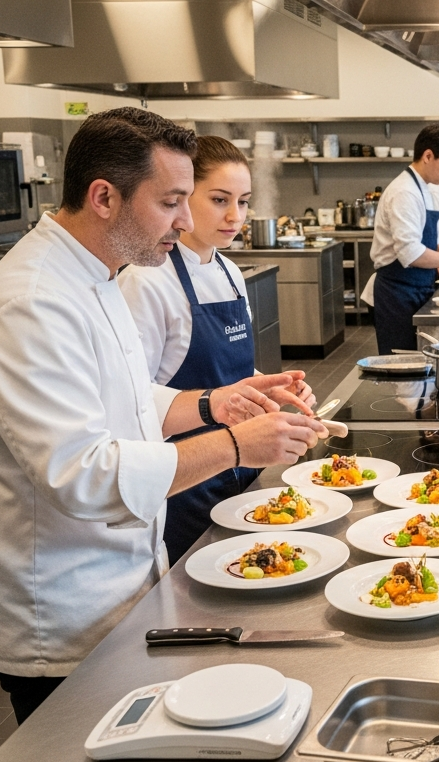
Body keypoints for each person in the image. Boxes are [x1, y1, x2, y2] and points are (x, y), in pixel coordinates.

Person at [0, 108, 328, 723]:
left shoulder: (95, 275)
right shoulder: (32, 303)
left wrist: (214, 402)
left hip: (123, 588)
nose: (185, 222)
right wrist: (235, 444)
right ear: (104, 196)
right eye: (171, 202)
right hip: (65, 612)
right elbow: (83, 474)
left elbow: (128, 397)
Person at [118, 135, 300, 562]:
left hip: (243, 469)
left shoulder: (229, 270)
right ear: (183, 198)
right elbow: (132, 404)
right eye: (220, 200)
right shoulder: (146, 282)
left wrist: (268, 389)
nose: (235, 216)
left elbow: (230, 375)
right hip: (186, 484)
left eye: (243, 201)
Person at [370, 123, 439, 355]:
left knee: (421, 362)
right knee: (404, 365)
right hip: (398, 293)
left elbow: (428, 243)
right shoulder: (405, 193)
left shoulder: (423, 189)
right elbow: (411, 253)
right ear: (428, 155)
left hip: (417, 288)